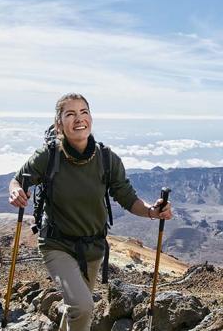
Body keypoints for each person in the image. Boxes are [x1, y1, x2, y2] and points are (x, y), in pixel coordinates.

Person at [9, 93, 172, 331]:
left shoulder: (107, 159)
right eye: (70, 114)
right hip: (57, 244)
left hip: (93, 248)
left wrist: (152, 211)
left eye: (84, 112)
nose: (79, 119)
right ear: (59, 124)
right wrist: (15, 191)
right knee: (83, 306)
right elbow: (17, 181)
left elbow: (127, 197)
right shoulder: (48, 156)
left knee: (77, 308)